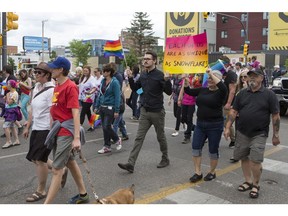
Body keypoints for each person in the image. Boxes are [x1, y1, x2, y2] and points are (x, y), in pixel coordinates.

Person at [224, 68, 280, 199]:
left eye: (255, 76)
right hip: (242, 132)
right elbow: (233, 111)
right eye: (250, 76)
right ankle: (248, 181)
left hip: (259, 133)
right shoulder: (242, 93)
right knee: (243, 158)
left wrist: (276, 135)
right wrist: (227, 127)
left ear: (261, 78)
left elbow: (276, 116)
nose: (252, 78)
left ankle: (256, 184)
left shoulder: (269, 95)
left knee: (255, 160)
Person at [44, 56, 89, 204]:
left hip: (66, 131)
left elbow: (75, 112)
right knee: (69, 161)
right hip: (58, 128)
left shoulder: (70, 87)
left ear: (61, 69)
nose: (51, 69)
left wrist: (76, 138)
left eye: (54, 67)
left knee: (57, 169)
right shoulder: (57, 85)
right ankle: (83, 194)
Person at [118, 50, 172, 173]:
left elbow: (168, 92)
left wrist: (167, 80)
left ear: (154, 61)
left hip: (157, 112)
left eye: (148, 59)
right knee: (138, 138)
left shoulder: (159, 75)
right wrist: (131, 78)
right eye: (144, 59)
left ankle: (165, 158)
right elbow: (137, 89)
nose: (145, 60)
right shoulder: (143, 75)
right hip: (144, 111)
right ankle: (131, 163)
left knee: (161, 137)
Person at [23, 62, 68, 202]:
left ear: (47, 75)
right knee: (34, 157)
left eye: (39, 72)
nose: (35, 74)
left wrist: (51, 132)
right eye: (35, 72)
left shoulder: (52, 90)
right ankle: (63, 170)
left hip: (45, 129)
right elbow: (32, 108)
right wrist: (27, 126)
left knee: (39, 160)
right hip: (36, 127)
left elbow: (52, 113)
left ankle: (41, 190)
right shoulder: (36, 87)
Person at [184, 70, 227, 183]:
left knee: (213, 150)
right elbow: (188, 91)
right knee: (196, 148)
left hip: (215, 125)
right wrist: (186, 82)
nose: (209, 79)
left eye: (212, 78)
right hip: (200, 124)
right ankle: (198, 172)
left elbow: (222, 86)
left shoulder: (221, 91)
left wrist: (211, 73)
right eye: (208, 78)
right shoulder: (203, 90)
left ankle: (212, 172)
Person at [94, 63, 122, 154]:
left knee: (107, 126)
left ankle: (117, 139)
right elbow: (99, 94)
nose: (103, 73)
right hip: (102, 107)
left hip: (111, 107)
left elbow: (117, 97)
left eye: (104, 71)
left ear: (109, 72)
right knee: (104, 127)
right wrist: (97, 106)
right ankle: (107, 146)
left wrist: (117, 110)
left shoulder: (115, 82)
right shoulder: (103, 81)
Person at [221, 56, 237, 148]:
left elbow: (232, 90)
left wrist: (228, 103)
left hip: (227, 103)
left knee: (227, 122)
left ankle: (233, 140)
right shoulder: (220, 73)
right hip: (220, 102)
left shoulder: (231, 74)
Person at [1, 80, 21, 149]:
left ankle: (8, 141)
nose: (6, 85)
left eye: (8, 84)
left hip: (12, 111)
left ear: (11, 85)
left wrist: (7, 96)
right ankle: (17, 140)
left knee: (5, 126)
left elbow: (9, 102)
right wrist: (7, 97)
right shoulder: (10, 93)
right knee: (12, 126)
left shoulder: (14, 93)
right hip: (9, 110)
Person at [78, 65, 97, 131]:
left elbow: (94, 87)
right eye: (84, 71)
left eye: (86, 71)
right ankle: (92, 125)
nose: (85, 72)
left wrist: (90, 92)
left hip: (89, 98)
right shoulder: (83, 78)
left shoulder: (91, 79)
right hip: (83, 97)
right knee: (88, 112)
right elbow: (80, 86)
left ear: (89, 71)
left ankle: (79, 126)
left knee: (83, 112)